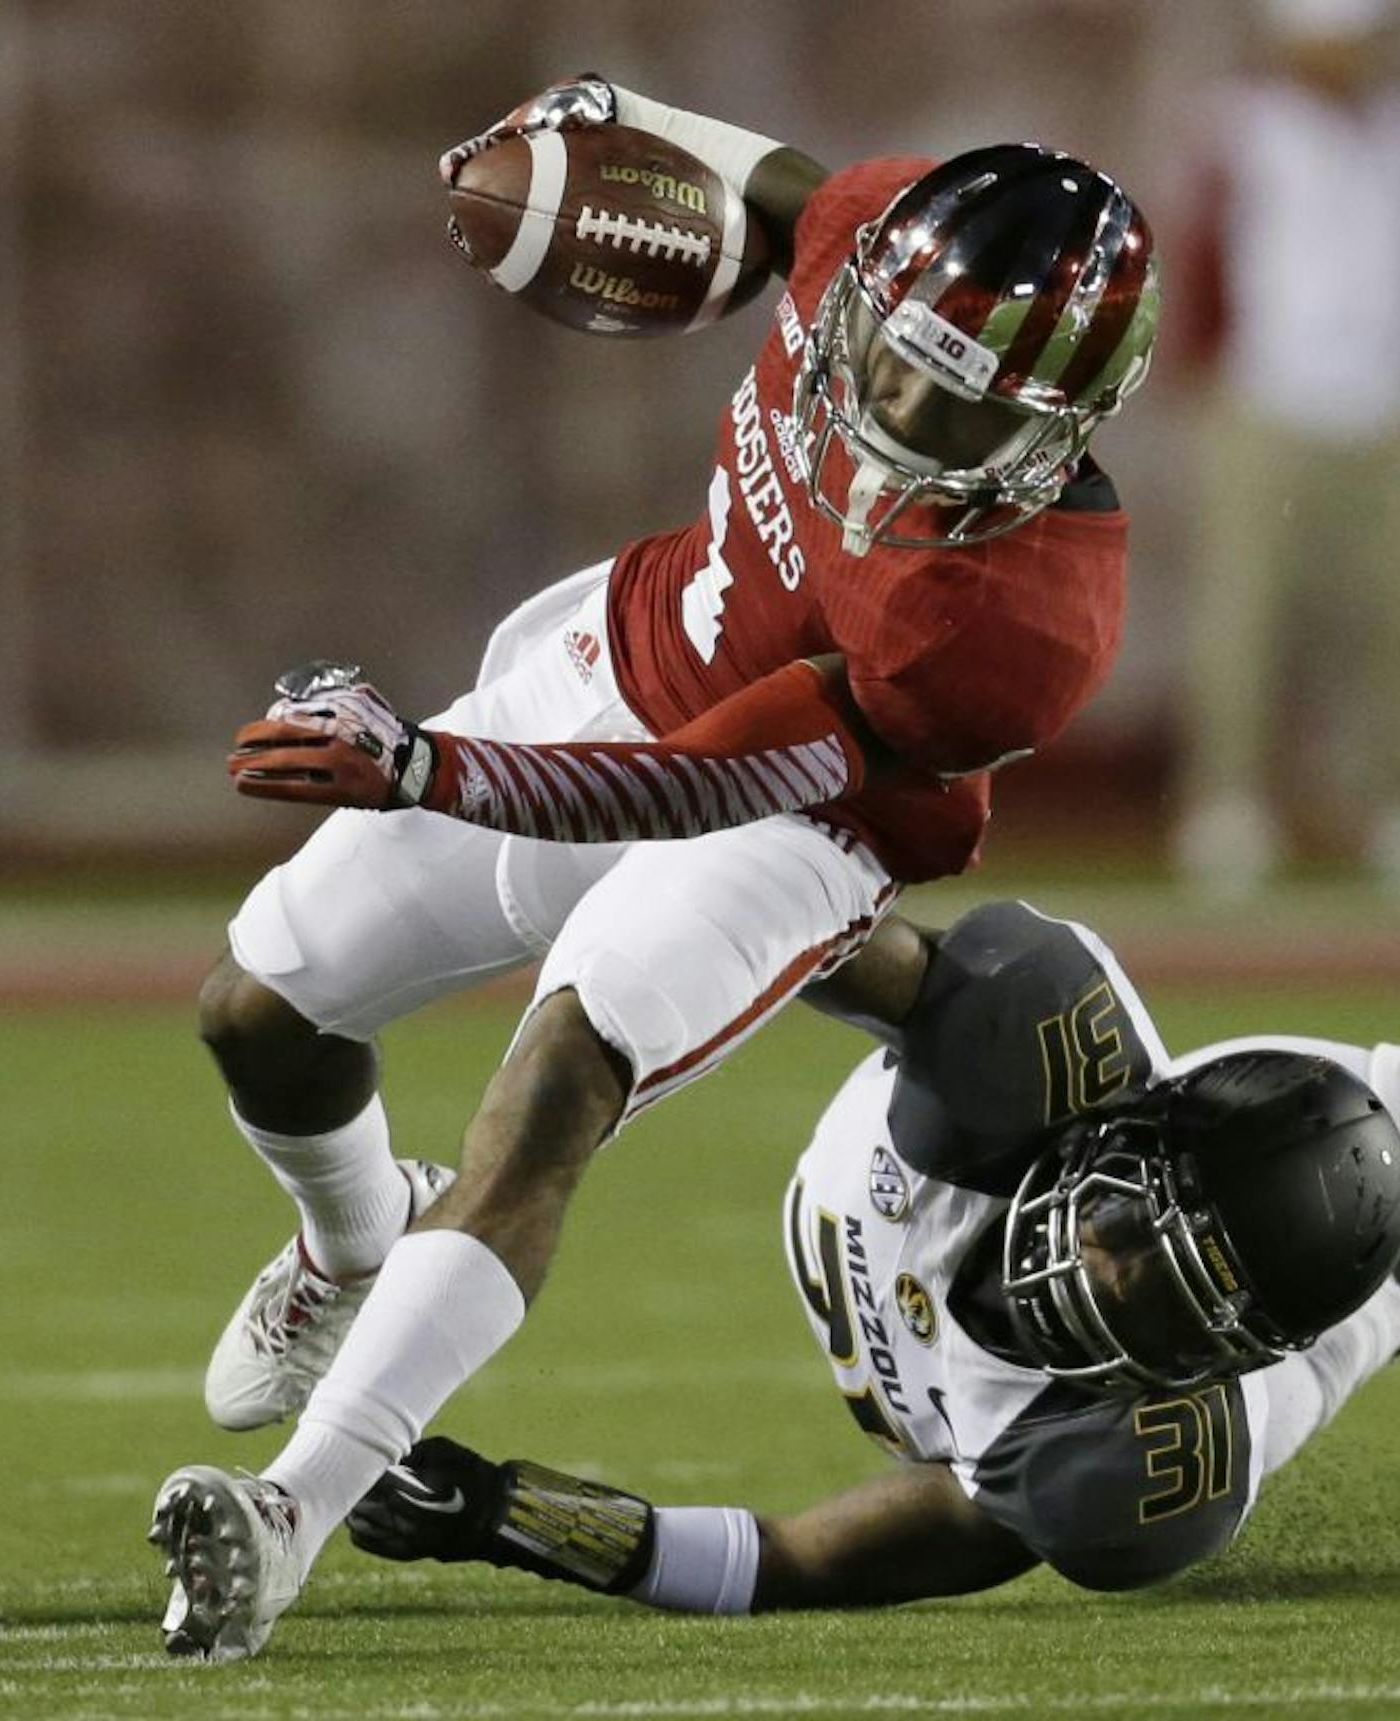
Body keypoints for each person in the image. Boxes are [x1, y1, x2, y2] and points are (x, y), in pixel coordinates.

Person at [152, 75, 1159, 1662]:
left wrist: (427, 765)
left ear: (1055, 436)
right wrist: (623, 116)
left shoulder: (1008, 619)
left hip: (787, 823)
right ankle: (355, 1245)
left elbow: (720, 776)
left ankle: (288, 1511)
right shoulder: (871, 241)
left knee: (553, 1087)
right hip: (623, 649)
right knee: (258, 1010)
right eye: (897, 357)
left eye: (964, 407)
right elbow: (781, 189)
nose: (902, 411)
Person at [323, 899, 1400, 1617]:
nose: (1110, 1266)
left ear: (1208, 1350)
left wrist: (509, 1516)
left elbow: (789, 1562)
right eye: (1142, 1214)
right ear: (1131, 1128)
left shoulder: (1103, 1453)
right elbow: (794, 917)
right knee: (1289, 1116)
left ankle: (1381, 1311)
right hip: (928, 1154)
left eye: (1170, 1293)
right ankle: (1387, 1286)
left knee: (1192, 1491)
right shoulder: (1040, 1057)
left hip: (982, 1413)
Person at [1168, 0, 1400, 902]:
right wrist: (1205, 378)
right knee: (1245, 617)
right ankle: (1227, 800)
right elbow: (1201, 257)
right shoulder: (1240, 128)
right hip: (1270, 393)